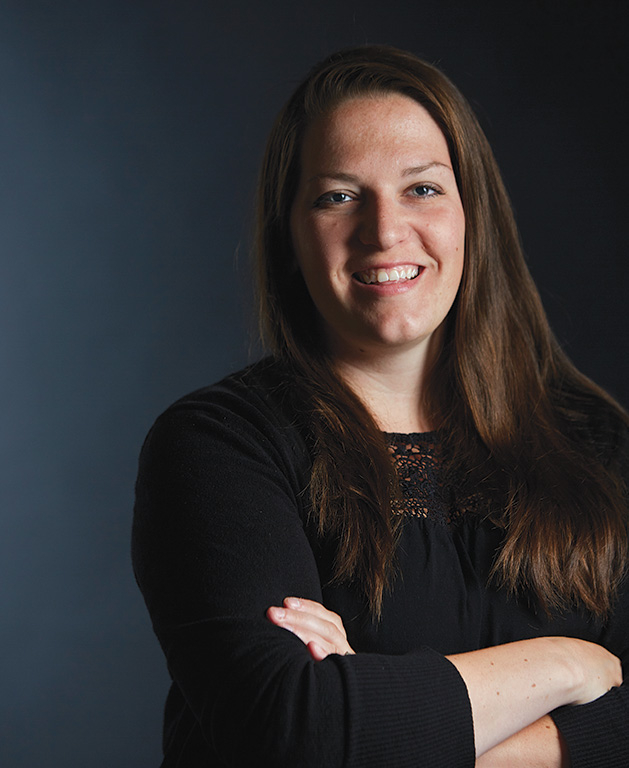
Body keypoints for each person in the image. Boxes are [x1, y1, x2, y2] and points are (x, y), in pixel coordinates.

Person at [132, 45, 629, 767]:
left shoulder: (593, 444)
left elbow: (339, 735)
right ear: (290, 233)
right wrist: (568, 666)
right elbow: (297, 733)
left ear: (471, 214)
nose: (384, 230)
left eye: (422, 189)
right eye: (338, 196)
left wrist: (381, 713)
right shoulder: (219, 447)